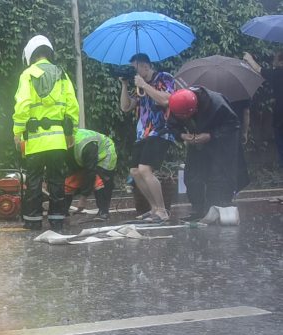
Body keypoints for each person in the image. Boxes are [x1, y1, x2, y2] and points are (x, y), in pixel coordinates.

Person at [13, 35, 79, 231]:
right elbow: (72, 107)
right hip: (58, 140)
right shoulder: (62, 74)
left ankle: (33, 221)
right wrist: (71, 133)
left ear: (31, 55)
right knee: (57, 180)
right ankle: (57, 219)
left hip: (35, 140)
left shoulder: (27, 74)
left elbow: (23, 104)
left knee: (33, 180)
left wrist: (18, 131)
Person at [167, 87, 249, 221]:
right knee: (192, 176)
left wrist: (211, 135)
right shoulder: (177, 105)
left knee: (218, 176)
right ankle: (198, 208)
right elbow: (171, 125)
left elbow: (233, 124)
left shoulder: (217, 102)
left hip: (220, 145)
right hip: (197, 142)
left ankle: (217, 207)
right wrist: (182, 135)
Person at [119, 53, 175, 223]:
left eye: (135, 67)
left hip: (160, 131)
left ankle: (163, 211)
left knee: (145, 169)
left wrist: (144, 85)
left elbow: (166, 100)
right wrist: (125, 85)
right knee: (135, 172)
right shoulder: (138, 86)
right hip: (142, 133)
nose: (134, 71)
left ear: (145, 66)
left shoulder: (164, 77)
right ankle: (154, 209)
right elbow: (126, 107)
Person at [64, 128, 117, 221]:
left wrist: (83, 198)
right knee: (71, 181)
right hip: (85, 156)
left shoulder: (85, 144)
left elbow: (90, 172)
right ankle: (63, 211)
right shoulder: (63, 143)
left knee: (98, 179)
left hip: (105, 154)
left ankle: (103, 211)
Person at [243, 51, 283, 168]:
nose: (273, 61)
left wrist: (249, 59)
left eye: (275, 58)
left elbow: (259, 70)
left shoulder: (278, 74)